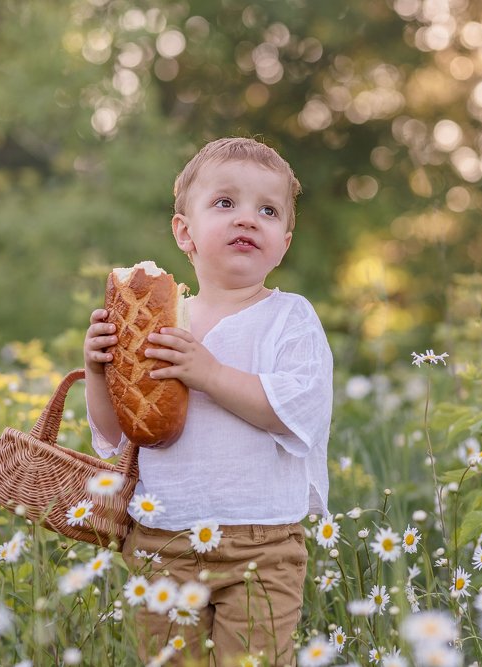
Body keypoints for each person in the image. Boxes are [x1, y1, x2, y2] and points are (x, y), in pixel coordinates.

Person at [82, 137, 332, 665]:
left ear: (284, 242)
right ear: (184, 232)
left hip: (261, 545)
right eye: (225, 203)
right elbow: (122, 433)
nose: (247, 219)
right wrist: (97, 371)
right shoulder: (159, 320)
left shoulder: (290, 318)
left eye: (267, 210)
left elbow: (292, 411)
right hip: (162, 537)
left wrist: (210, 374)